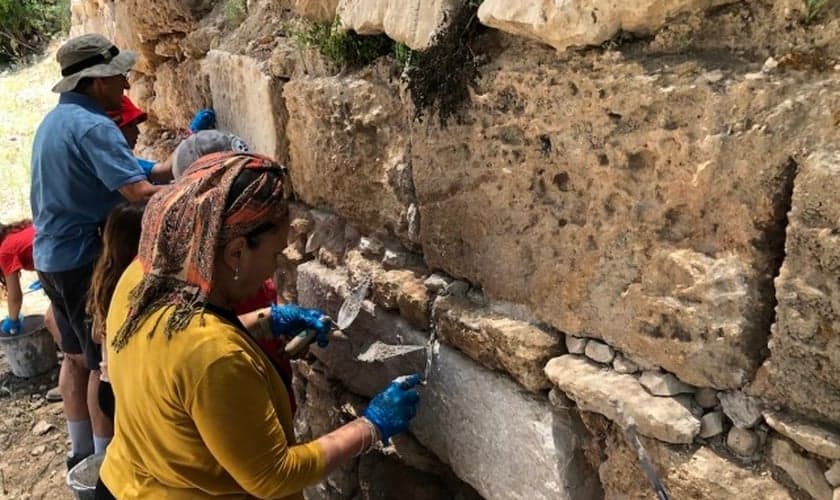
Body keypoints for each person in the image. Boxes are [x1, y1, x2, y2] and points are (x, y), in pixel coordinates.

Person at [98, 152, 421, 499]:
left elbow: (173, 360)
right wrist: (370, 426)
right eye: (273, 254)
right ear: (236, 252)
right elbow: (273, 475)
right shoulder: (214, 357)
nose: (273, 269)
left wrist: (267, 319)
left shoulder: (142, 277)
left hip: (123, 482)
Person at [30, 33, 172, 468]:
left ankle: (80, 457)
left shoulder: (57, 121)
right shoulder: (94, 126)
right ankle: (108, 466)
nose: (125, 85)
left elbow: (138, 173)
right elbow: (137, 191)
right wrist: (200, 186)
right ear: (94, 82)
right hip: (82, 259)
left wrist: (177, 164)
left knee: (75, 359)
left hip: (50, 257)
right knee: (102, 365)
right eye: (117, 76)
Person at [84, 203, 144, 431]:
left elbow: (96, 334)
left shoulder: (105, 278)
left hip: (108, 383)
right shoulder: (137, 283)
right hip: (127, 390)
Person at [0, 220, 35, 335]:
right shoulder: (18, 231)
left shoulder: (5, 251)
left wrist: (12, 320)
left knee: (52, 320)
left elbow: (15, 297)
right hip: (76, 249)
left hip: (65, 263)